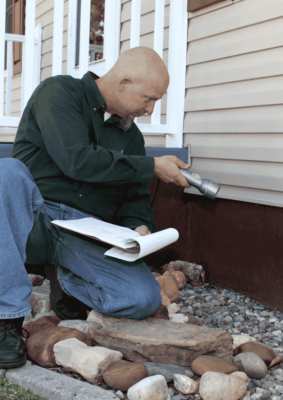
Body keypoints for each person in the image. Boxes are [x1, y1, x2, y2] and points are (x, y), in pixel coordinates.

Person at [0, 47, 190, 369]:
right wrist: (152, 166)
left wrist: (140, 229)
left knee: (142, 298)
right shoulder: (59, 93)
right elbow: (77, 160)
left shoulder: (132, 139)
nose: (151, 108)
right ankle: (6, 320)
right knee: (7, 173)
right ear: (124, 82)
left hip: (83, 232)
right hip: (33, 220)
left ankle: (69, 283)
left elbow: (135, 200)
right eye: (148, 98)